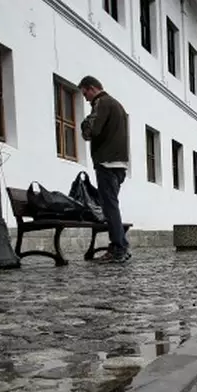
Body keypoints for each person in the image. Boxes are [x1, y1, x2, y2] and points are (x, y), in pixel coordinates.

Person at [79, 76, 131, 263]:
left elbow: (91, 131)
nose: (86, 99)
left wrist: (84, 124)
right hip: (120, 164)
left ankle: (119, 247)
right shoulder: (118, 106)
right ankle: (120, 244)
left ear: (92, 88)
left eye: (85, 94)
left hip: (106, 163)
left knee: (110, 207)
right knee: (111, 205)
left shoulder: (101, 102)